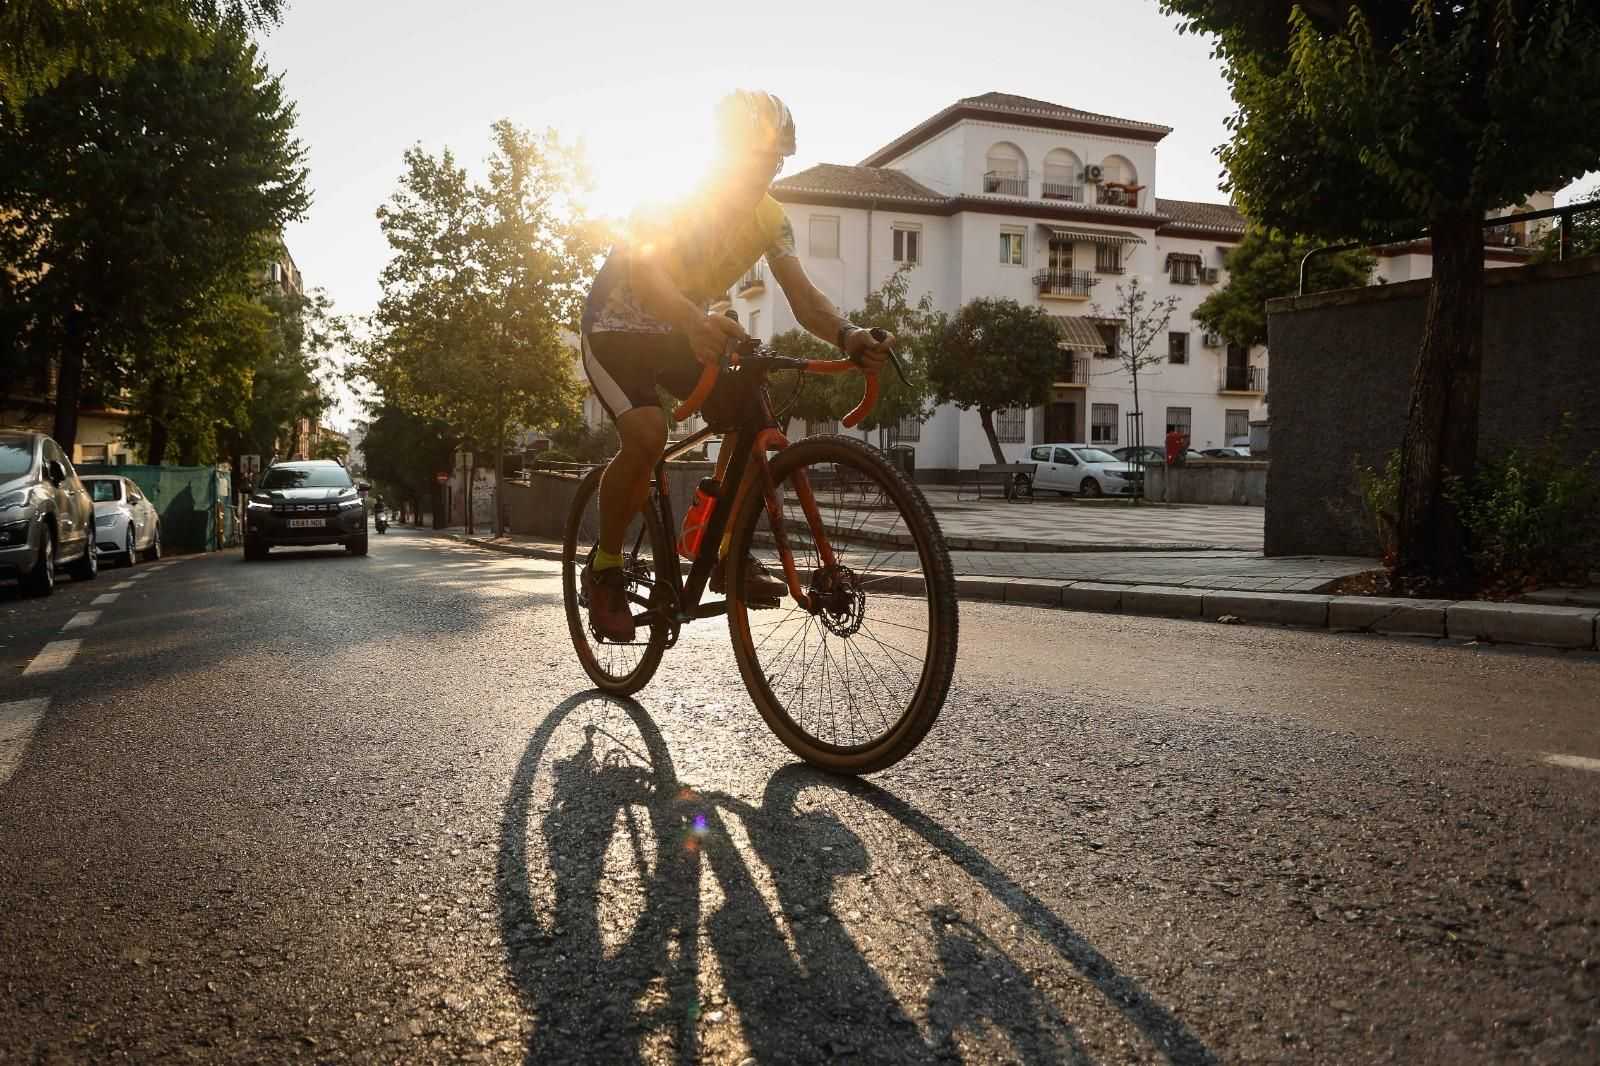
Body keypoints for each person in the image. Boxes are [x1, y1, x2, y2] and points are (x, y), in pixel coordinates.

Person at [580, 90, 894, 642]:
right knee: (648, 434)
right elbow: (647, 278)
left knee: (752, 410)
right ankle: (604, 569)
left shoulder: (770, 217)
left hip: (682, 333)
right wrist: (694, 321)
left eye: (775, 162)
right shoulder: (669, 196)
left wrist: (848, 334)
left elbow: (803, 296)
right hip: (615, 330)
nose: (763, 173)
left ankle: (722, 545)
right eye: (753, 159)